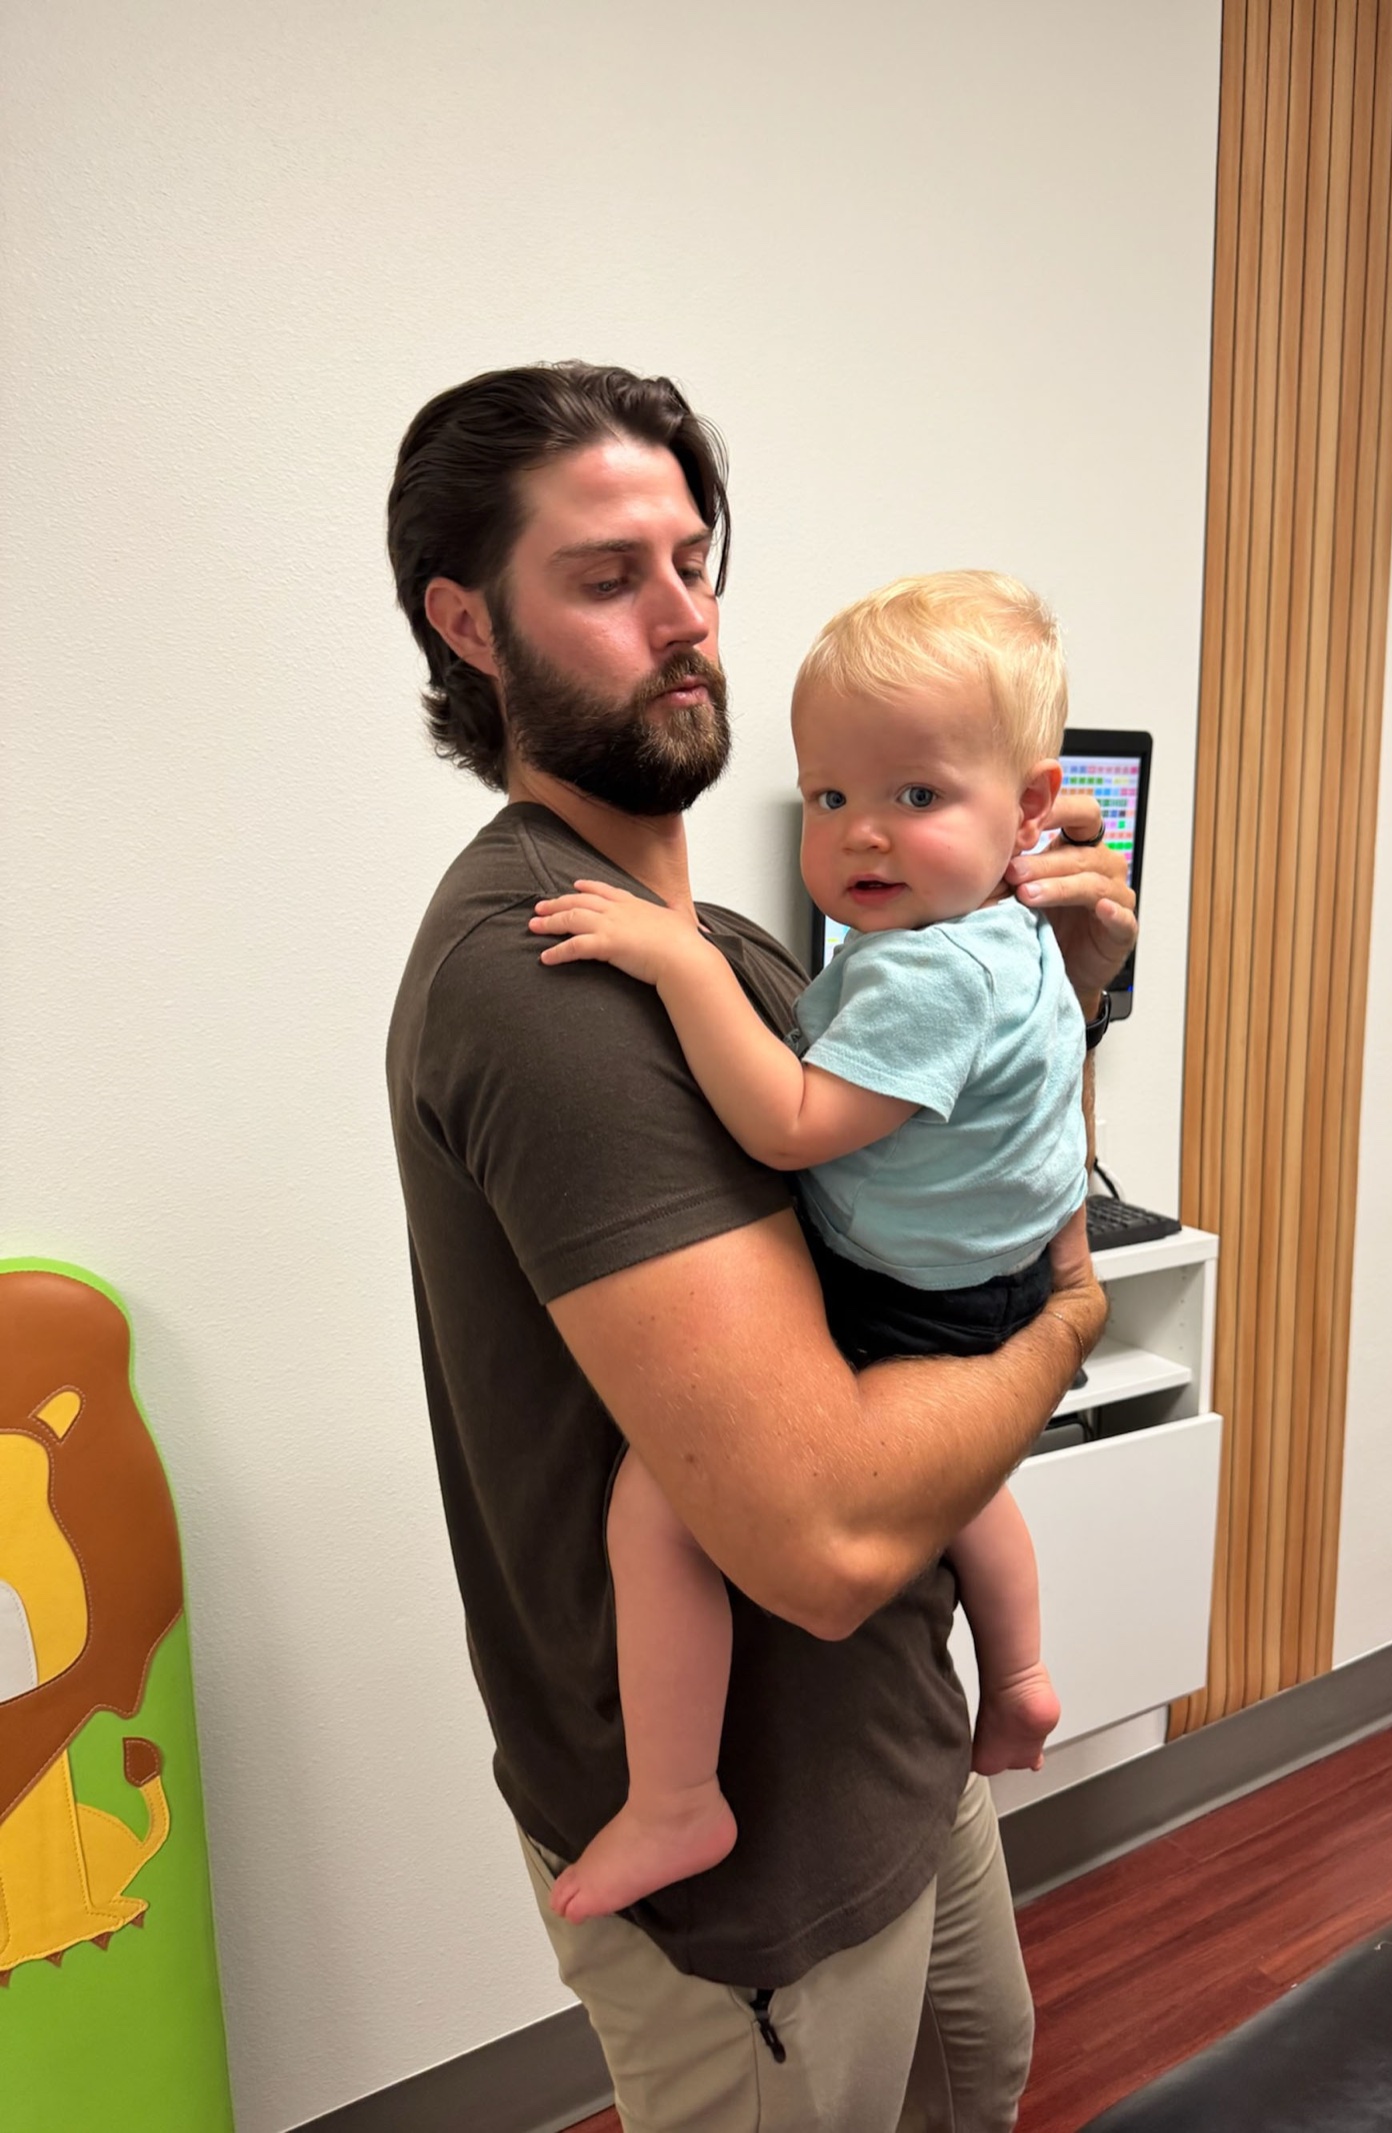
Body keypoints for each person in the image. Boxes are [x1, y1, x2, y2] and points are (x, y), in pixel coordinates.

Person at [385, 363, 1137, 2133]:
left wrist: (1063, 999)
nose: (683, 620)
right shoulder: (549, 976)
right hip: (757, 1872)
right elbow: (817, 1538)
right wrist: (1068, 1325)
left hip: (901, 1752)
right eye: (606, 577)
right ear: (468, 625)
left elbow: (978, 1195)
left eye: (695, 563)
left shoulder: (734, 939)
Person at [528, 571, 1086, 1928]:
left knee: (660, 1500)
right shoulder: (1007, 937)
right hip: (992, 1276)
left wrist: (679, 964)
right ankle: (1017, 1678)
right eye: (830, 797)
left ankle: (675, 1796)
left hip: (918, 1292)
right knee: (957, 1482)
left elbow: (787, 1122)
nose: (861, 835)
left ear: (1028, 808)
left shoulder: (923, 972)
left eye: (916, 795)